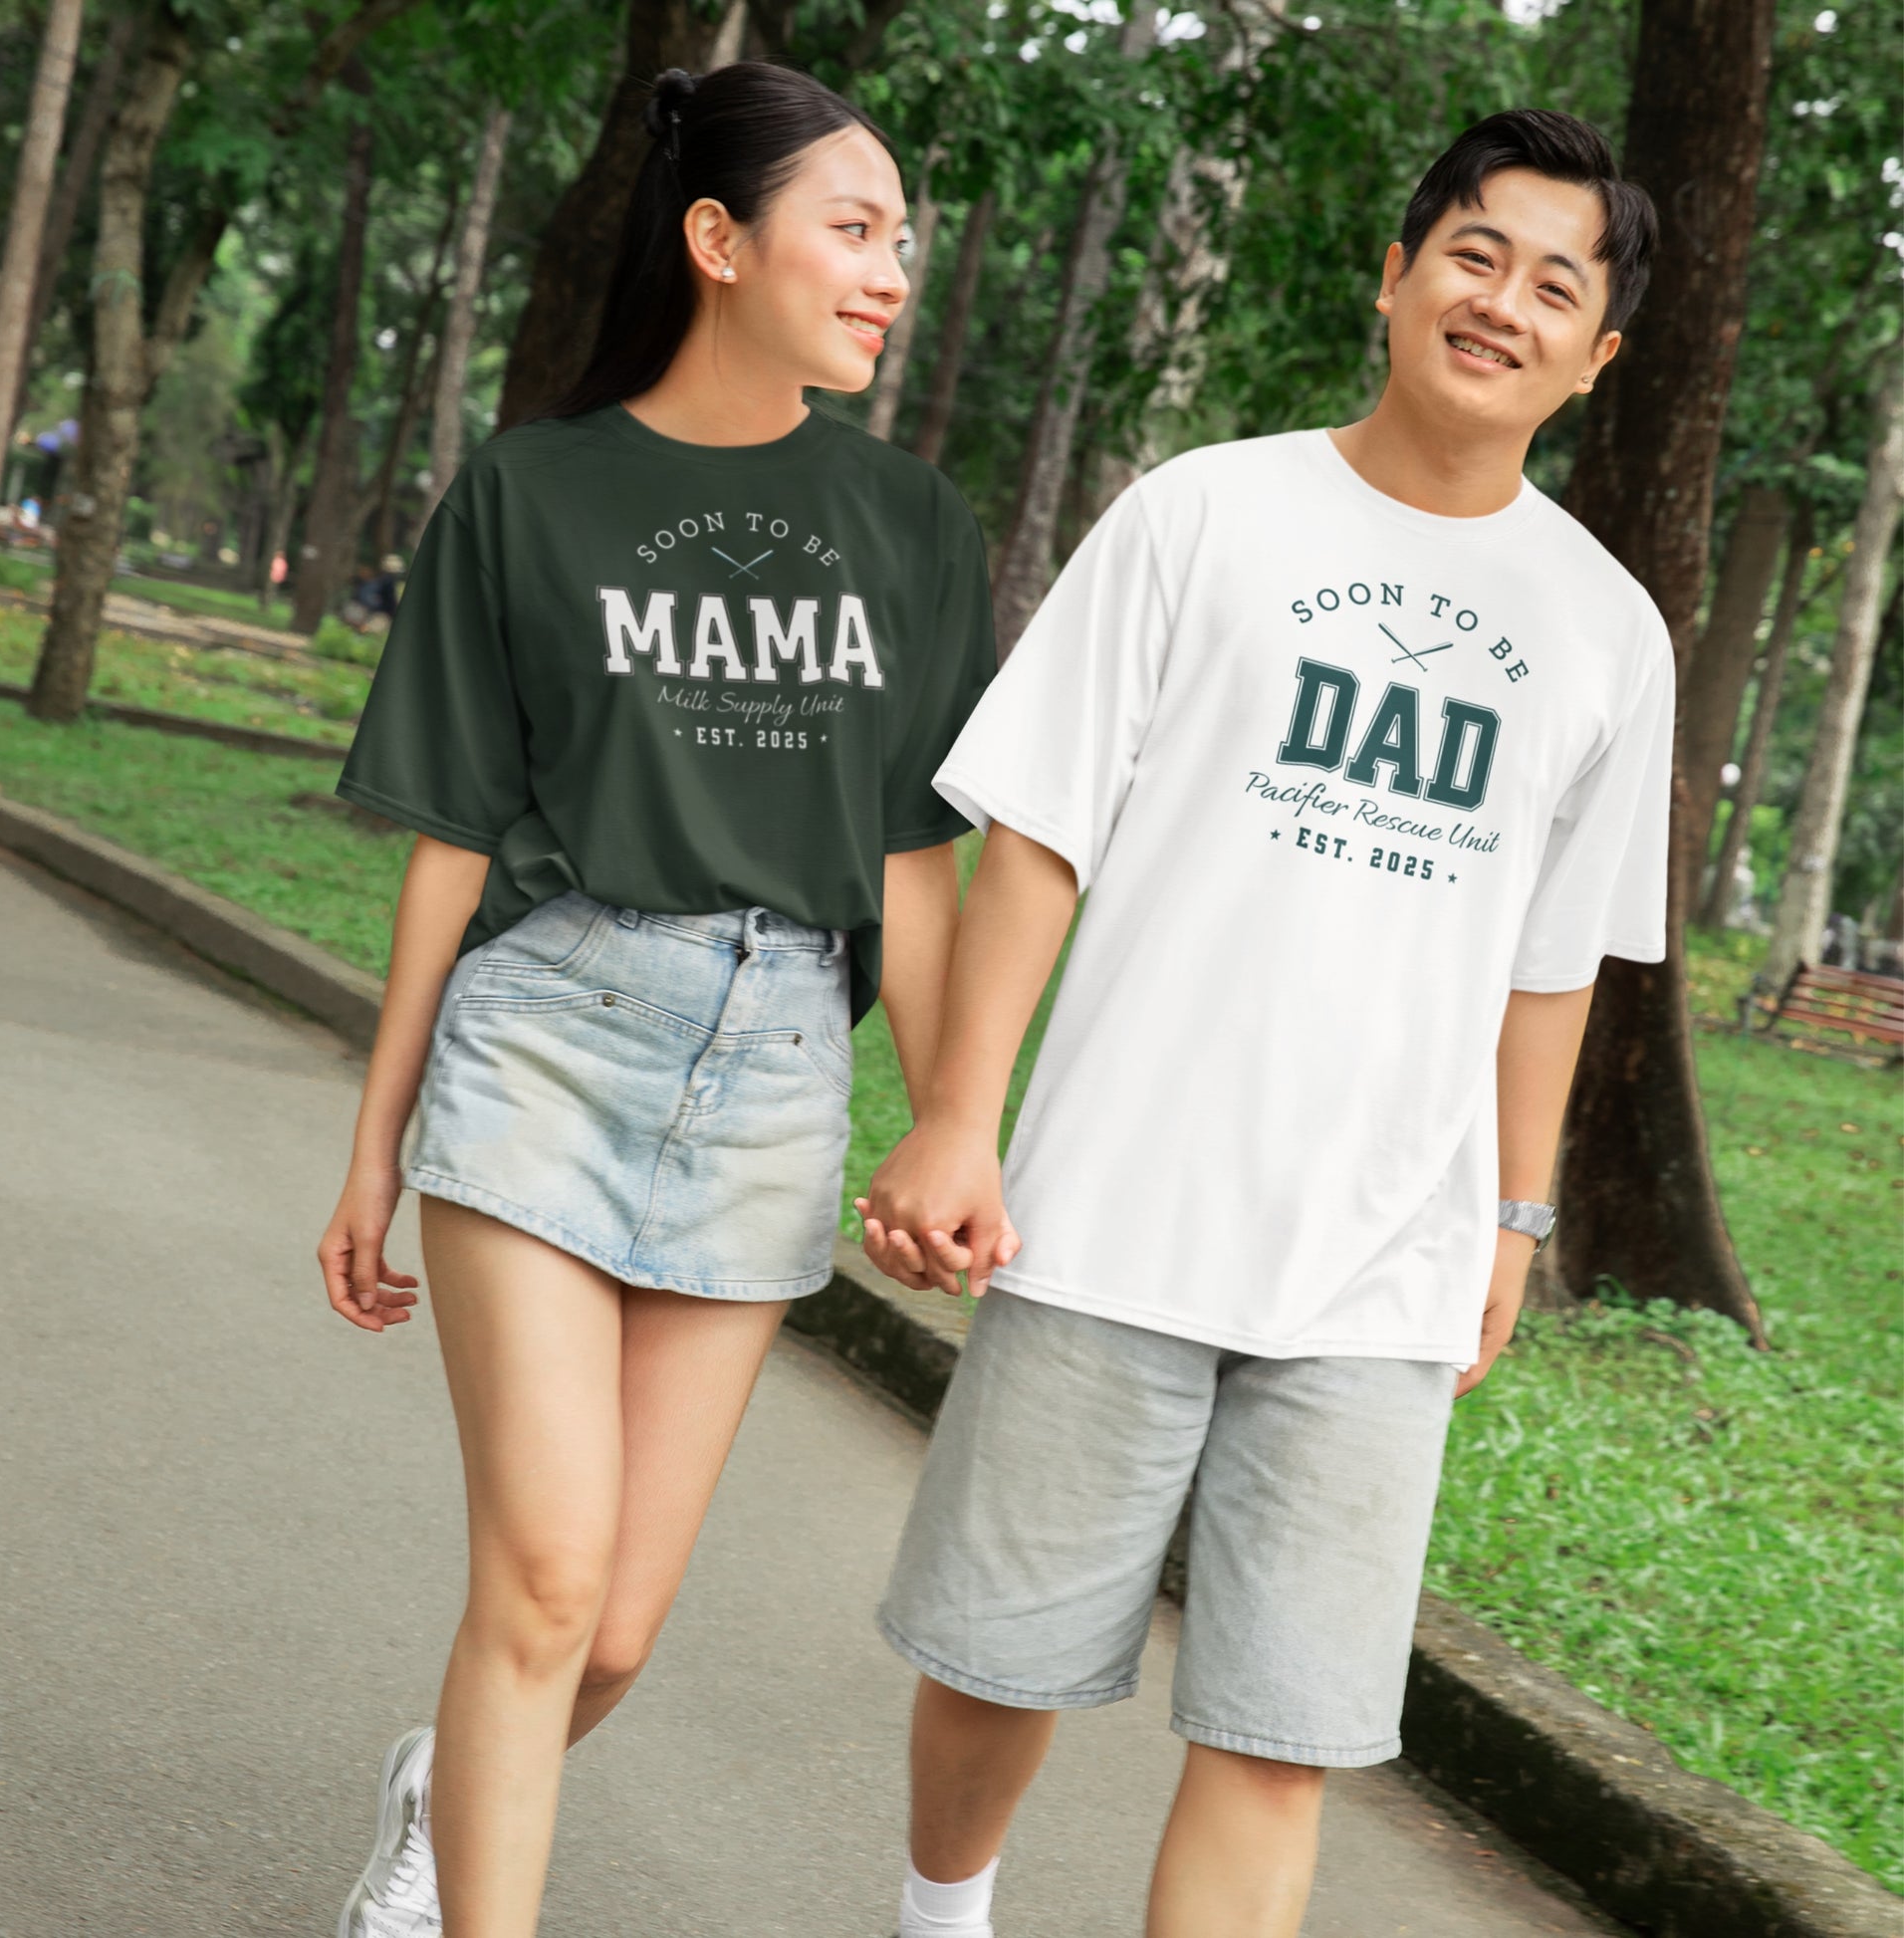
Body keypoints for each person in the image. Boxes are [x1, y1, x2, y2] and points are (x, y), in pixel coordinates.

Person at [856, 109, 1667, 1938]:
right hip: (1111, 1214)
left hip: (1377, 1261)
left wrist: (1513, 1223)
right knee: (1000, 1657)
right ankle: (939, 1915)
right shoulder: (1201, 512)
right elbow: (1039, 831)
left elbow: (1554, 965)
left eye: (1555, 286)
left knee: (1279, 1731)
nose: (1500, 303)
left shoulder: (1606, 633)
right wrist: (958, 1114)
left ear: (1595, 357)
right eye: (1471, 253)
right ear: (1392, 274)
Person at [318, 63, 995, 1938]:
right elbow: (451, 839)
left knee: (609, 1627)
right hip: (545, 1034)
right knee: (538, 1583)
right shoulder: (533, 491)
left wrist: (952, 1126)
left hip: (774, 1070)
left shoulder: (917, 530)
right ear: (717, 240)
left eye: (901, 242)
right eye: (850, 230)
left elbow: (916, 862)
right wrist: (373, 1149)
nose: (888, 275)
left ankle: (437, 1796)